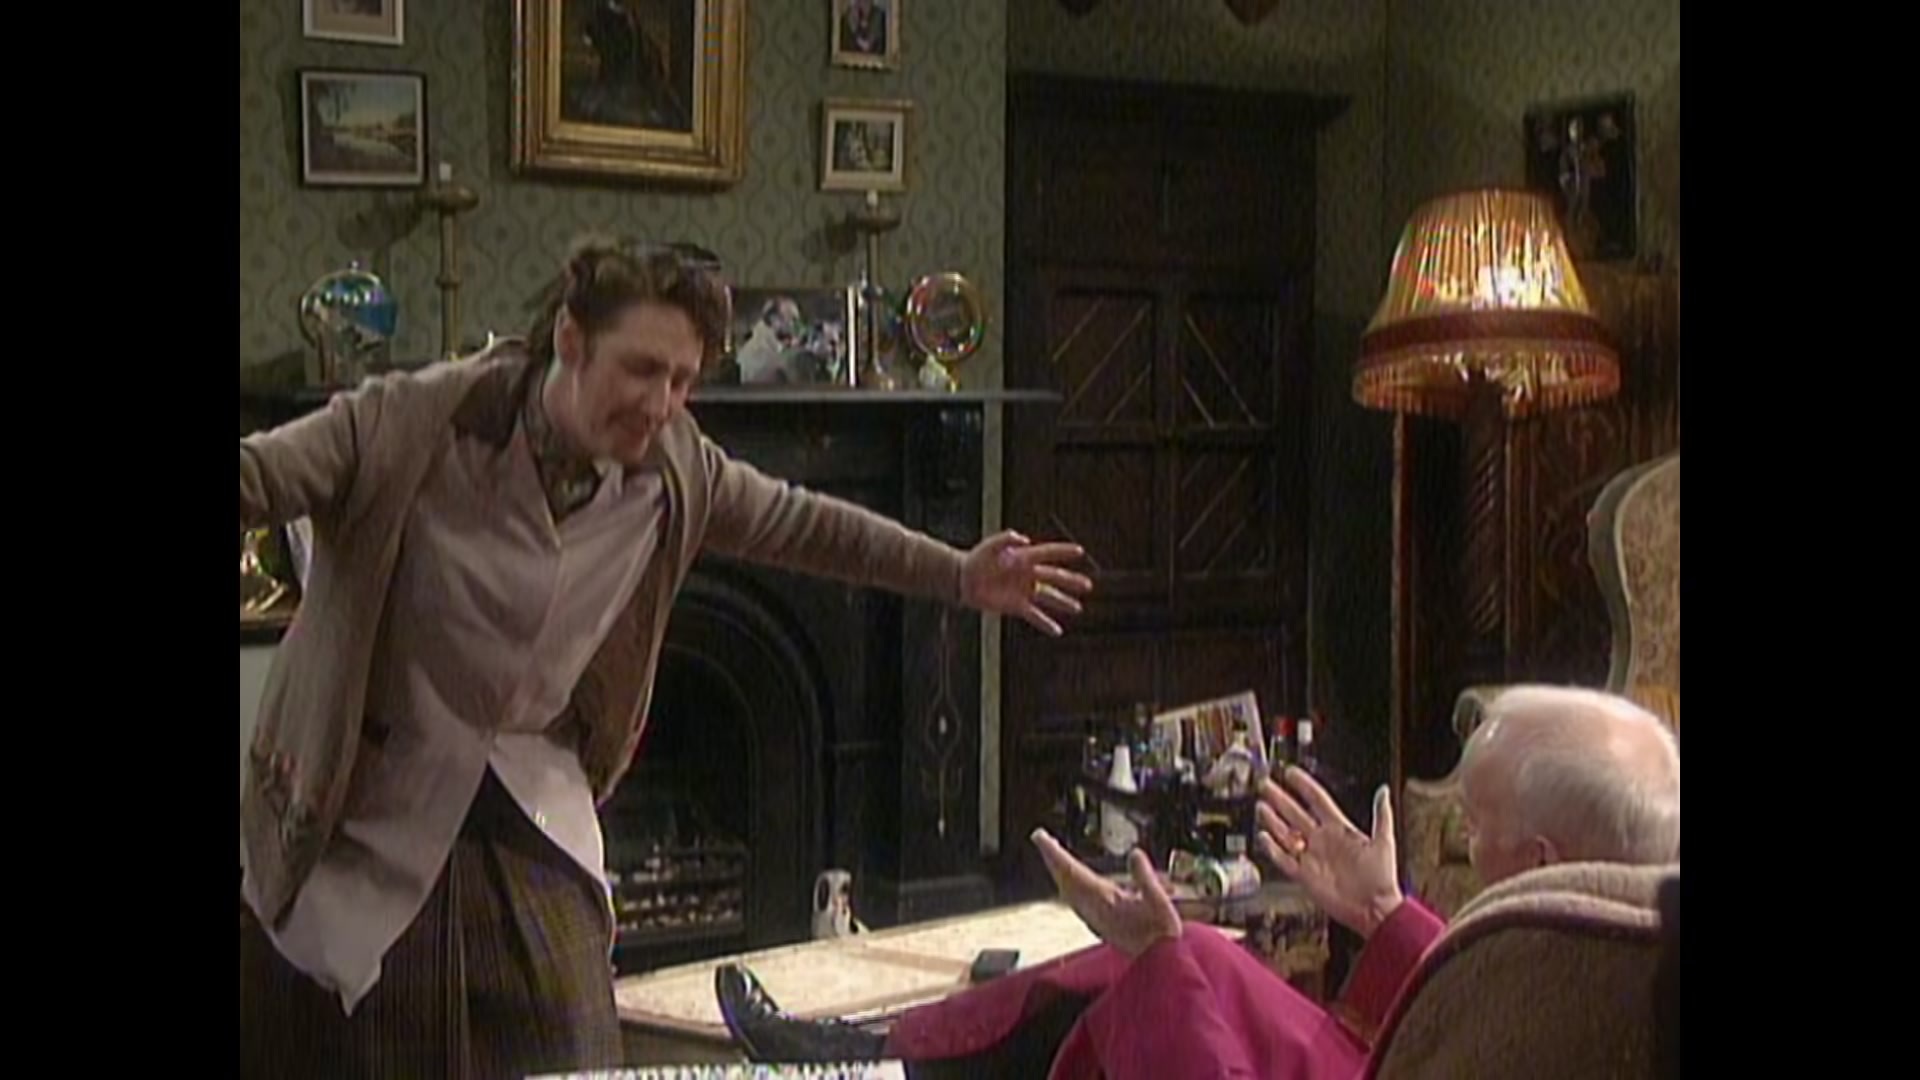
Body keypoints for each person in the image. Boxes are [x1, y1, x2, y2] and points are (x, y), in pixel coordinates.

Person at [237, 237, 1095, 1079]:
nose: (661, 403)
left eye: (683, 380)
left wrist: (959, 574)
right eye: (642, 369)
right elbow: (260, 476)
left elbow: (808, 525)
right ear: (570, 339)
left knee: (571, 1039)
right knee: (358, 1029)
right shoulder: (416, 421)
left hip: (529, 797)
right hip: (373, 796)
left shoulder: (677, 467)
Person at [719, 685, 1681, 1078]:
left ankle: (882, 1064)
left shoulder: (1558, 972)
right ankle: (872, 1050)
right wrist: (1386, 912)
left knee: (1175, 971)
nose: (1460, 844)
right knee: (1182, 957)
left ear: (1545, 859)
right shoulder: (1579, 932)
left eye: (1477, 829)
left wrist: (1388, 918)